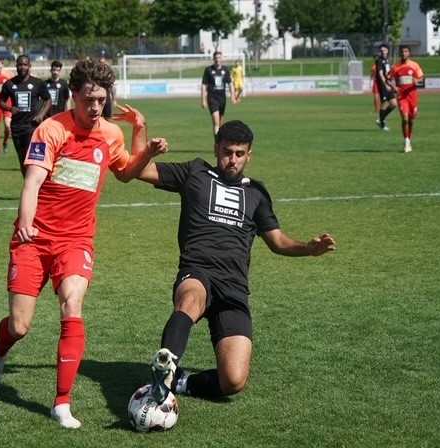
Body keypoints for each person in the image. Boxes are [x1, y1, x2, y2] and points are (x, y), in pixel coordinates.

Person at [0, 58, 169, 429]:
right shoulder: (52, 130)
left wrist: (146, 149)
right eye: (89, 100)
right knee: (20, 326)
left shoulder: (110, 134)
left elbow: (125, 173)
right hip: (34, 239)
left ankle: (61, 403)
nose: (96, 107)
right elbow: (32, 183)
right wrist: (25, 223)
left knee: (72, 304)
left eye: (101, 99)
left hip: (76, 240)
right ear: (73, 96)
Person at [135, 120, 336, 404]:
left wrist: (309, 249)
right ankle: (164, 372)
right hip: (198, 272)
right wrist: (141, 133)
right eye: (227, 152)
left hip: (234, 287)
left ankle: (180, 382)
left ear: (249, 155)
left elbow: (278, 241)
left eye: (240, 154)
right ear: (216, 149)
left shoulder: (256, 193)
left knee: (233, 380)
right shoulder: (195, 172)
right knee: (190, 299)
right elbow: (140, 169)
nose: (233, 159)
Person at [0, 55, 52, 177]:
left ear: (29, 66)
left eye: (25, 65)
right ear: (16, 66)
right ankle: (28, 184)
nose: (22, 67)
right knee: (22, 160)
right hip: (17, 127)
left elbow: (48, 100)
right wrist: (9, 108)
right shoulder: (9, 84)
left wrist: (41, 115)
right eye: (20, 65)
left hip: (33, 127)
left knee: (34, 159)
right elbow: (0, 102)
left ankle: (36, 185)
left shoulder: (38, 83)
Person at [387, 45, 424, 154]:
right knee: (405, 118)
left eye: (406, 51)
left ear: (409, 53)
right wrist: (394, 87)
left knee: (411, 119)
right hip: (401, 96)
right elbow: (388, 79)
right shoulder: (395, 67)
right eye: (402, 51)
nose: (403, 53)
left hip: (412, 96)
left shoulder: (414, 65)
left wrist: (417, 80)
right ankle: (406, 141)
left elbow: (421, 77)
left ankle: (409, 138)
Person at [201, 51, 237, 139]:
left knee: (220, 122)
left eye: (219, 57)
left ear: (222, 58)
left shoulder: (225, 70)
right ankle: (217, 143)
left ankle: (220, 141)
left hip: (222, 99)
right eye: (216, 58)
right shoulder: (208, 70)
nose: (217, 59)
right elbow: (204, 85)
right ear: (213, 59)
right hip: (212, 98)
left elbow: (230, 83)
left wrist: (233, 96)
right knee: (216, 121)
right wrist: (203, 100)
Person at [374, 44, 397, 131]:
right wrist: (386, 85)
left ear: (387, 51)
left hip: (388, 83)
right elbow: (380, 74)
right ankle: (382, 125)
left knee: (394, 104)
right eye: (381, 51)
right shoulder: (379, 60)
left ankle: (380, 119)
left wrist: (391, 83)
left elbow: (388, 73)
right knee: (384, 103)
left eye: (384, 50)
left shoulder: (387, 60)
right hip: (383, 85)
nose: (383, 52)